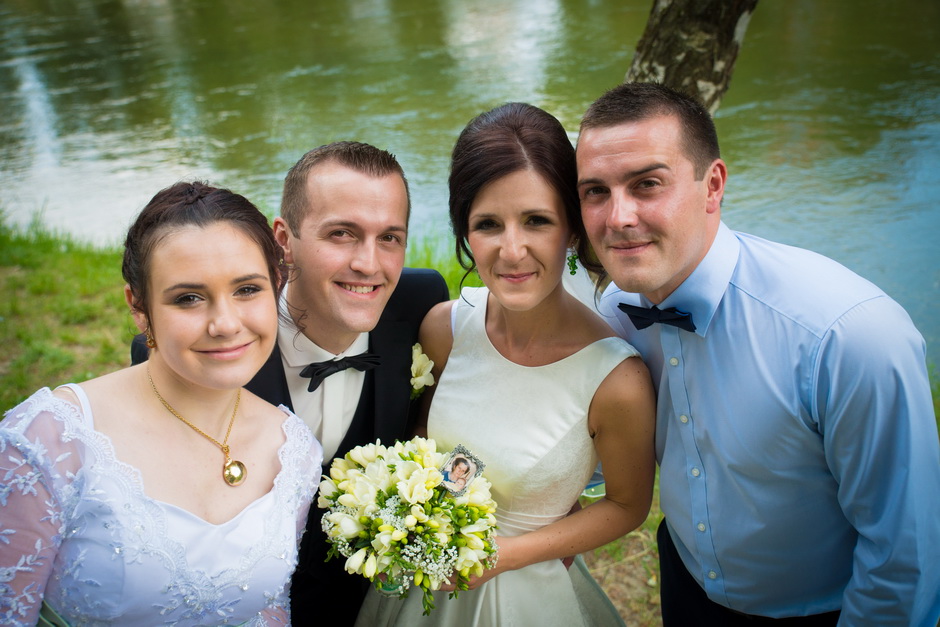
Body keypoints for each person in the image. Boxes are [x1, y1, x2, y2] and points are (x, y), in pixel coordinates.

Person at [576, 82, 940, 626]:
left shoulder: (849, 338)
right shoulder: (618, 311)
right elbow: (596, 457)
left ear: (712, 185)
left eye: (647, 184)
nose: (618, 217)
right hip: (685, 586)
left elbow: (904, 557)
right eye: (595, 192)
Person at [356, 102, 657, 626]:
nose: (511, 250)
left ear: (572, 230)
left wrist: (501, 557)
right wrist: (421, 516)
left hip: (523, 595)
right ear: (465, 233)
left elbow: (627, 506)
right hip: (418, 586)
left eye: (537, 221)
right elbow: (440, 444)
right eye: (488, 224)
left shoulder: (616, 379)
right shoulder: (444, 330)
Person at [132, 142, 449, 624]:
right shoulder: (198, 352)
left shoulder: (418, 302)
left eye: (390, 237)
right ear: (283, 240)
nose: (369, 263)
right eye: (342, 234)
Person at [0, 182, 322, 625]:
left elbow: (270, 607)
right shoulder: (50, 439)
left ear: (277, 284)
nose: (226, 324)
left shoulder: (295, 450)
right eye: (188, 298)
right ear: (139, 306)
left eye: (247, 289)